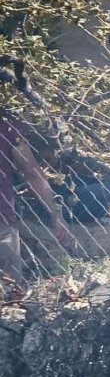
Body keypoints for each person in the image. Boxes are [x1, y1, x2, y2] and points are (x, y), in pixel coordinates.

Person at [0, 111, 68, 299]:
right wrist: (55, 214)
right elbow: (32, 173)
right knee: (9, 295)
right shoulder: (6, 126)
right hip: (2, 224)